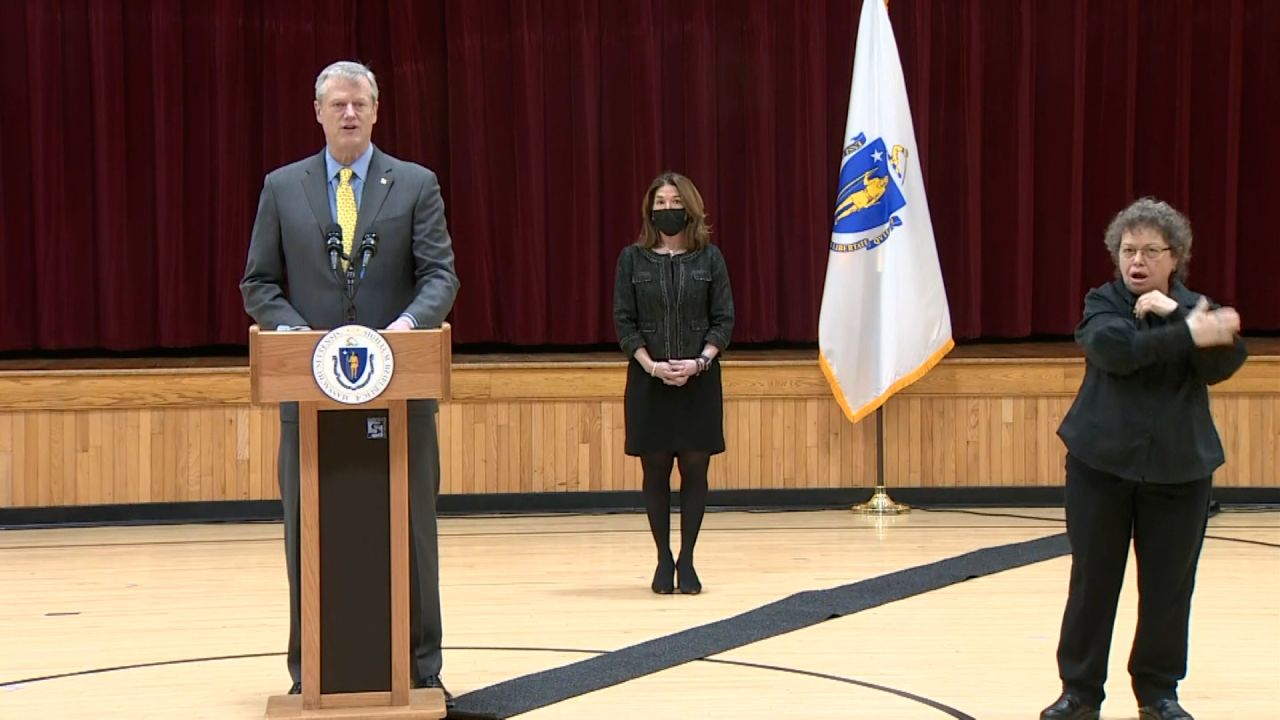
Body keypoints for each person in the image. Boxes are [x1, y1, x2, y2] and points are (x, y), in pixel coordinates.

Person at [240, 60, 460, 701]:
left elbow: (440, 276)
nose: (349, 114)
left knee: (413, 529)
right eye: (337, 104)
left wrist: (401, 329)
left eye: (359, 103)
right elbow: (259, 283)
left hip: (401, 390)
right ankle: (309, 663)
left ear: (376, 109)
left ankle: (422, 663)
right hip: (307, 394)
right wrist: (296, 337)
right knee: (305, 528)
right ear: (317, 112)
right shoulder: (283, 188)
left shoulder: (415, 184)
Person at [1040, 198, 1246, 720]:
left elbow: (1226, 361)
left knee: (1168, 587)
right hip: (1100, 466)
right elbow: (1117, 352)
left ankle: (1158, 693)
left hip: (1180, 470)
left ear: (1174, 257)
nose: (1136, 261)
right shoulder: (1102, 303)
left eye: (1150, 251)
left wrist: (1177, 315)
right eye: (1128, 250)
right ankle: (1080, 693)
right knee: (1093, 580)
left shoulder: (1191, 305)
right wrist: (1188, 333)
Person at [612, 172, 735, 595]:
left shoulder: (710, 259)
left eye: (674, 201)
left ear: (691, 208)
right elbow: (624, 323)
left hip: (698, 381)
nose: (667, 209)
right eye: (660, 203)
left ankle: (688, 558)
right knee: (656, 470)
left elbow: (724, 320)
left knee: (696, 470)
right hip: (650, 381)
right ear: (650, 210)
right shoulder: (632, 258)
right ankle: (663, 558)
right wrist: (652, 365)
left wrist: (699, 362)